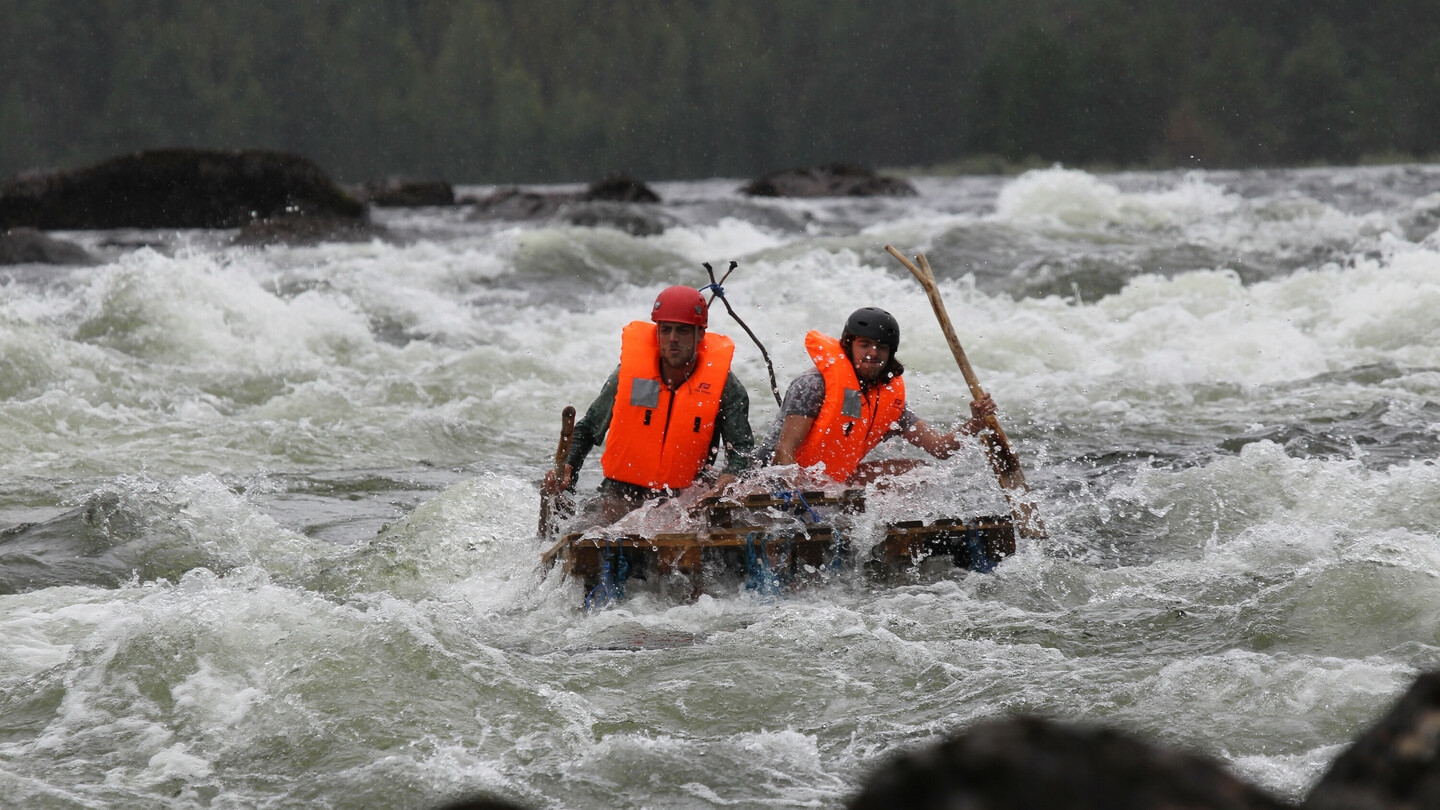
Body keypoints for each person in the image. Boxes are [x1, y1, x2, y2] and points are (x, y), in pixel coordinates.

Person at [544, 285, 755, 527]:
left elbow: (742, 450)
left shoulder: (725, 387)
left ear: (700, 335)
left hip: (687, 495)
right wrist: (567, 468)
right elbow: (588, 429)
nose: (673, 339)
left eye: (683, 331)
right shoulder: (631, 378)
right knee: (586, 535)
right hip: (622, 492)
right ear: (657, 333)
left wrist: (725, 482)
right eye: (665, 330)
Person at [761, 306, 997, 485]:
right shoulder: (813, 385)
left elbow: (940, 449)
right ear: (848, 345)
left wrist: (976, 423)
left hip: (830, 484)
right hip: (774, 482)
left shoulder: (888, 401)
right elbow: (783, 453)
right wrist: (809, 500)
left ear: (890, 353)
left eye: (882, 347)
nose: (873, 353)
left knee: (919, 472)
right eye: (865, 344)